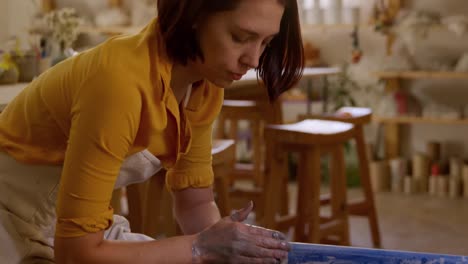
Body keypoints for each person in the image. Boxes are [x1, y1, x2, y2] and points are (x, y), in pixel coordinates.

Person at [0, 0, 304, 262]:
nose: (253, 60)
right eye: (240, 37)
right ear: (195, 15)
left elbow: (195, 202)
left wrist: (226, 250)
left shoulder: (204, 86)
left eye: (265, 43)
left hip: (70, 229)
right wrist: (200, 249)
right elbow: (75, 253)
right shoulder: (120, 82)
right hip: (10, 220)